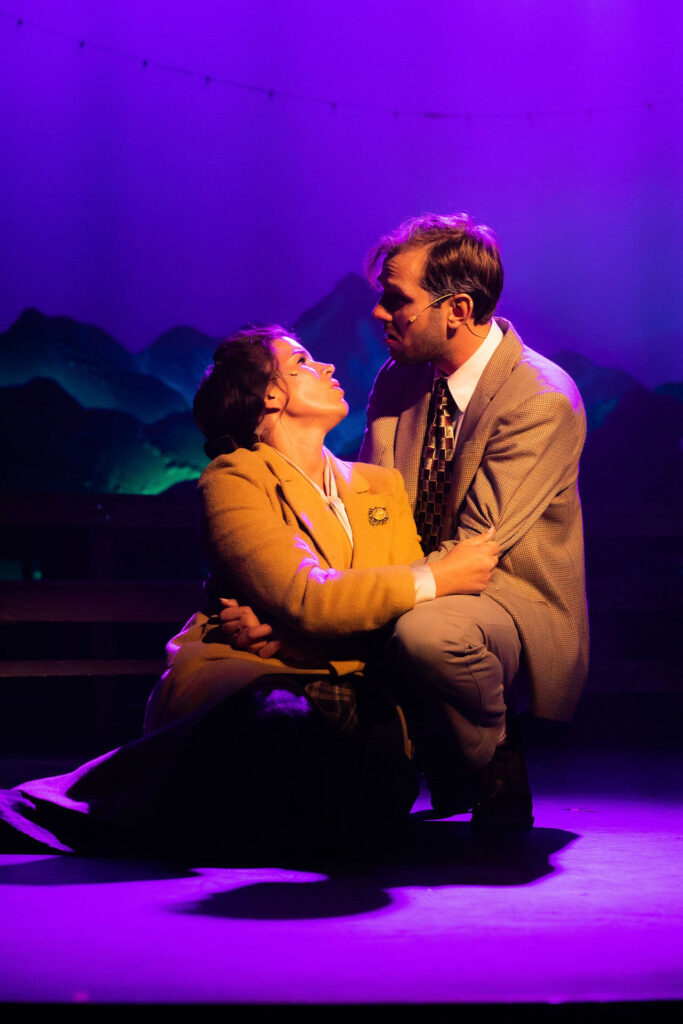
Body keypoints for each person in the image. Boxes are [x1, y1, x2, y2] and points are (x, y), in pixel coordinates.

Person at [0, 325, 499, 861]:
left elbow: (374, 616)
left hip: (352, 686)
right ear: (271, 394)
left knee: (360, 752)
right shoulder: (232, 480)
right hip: (243, 675)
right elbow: (310, 596)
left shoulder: (379, 486)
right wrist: (435, 578)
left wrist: (297, 640)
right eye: (304, 360)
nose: (328, 368)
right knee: (283, 720)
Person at [357, 213, 589, 828]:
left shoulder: (540, 396)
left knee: (430, 634)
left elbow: (475, 551)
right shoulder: (398, 380)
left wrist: (369, 596)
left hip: (503, 593)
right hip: (420, 577)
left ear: (457, 309)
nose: (380, 314)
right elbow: (368, 503)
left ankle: (494, 760)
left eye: (396, 299)